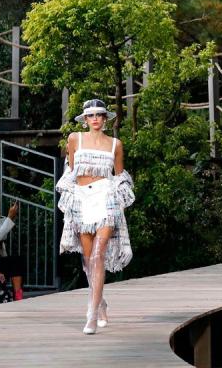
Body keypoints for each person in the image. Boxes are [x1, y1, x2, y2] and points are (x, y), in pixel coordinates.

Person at [56, 99, 134, 334]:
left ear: (105, 118)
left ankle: (91, 313)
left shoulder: (115, 145)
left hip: (105, 197)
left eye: (100, 114)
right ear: (86, 119)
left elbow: (119, 177)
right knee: (88, 260)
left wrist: (118, 203)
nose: (96, 119)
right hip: (81, 198)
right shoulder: (74, 139)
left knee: (99, 254)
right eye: (91, 115)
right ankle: (100, 303)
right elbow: (70, 171)